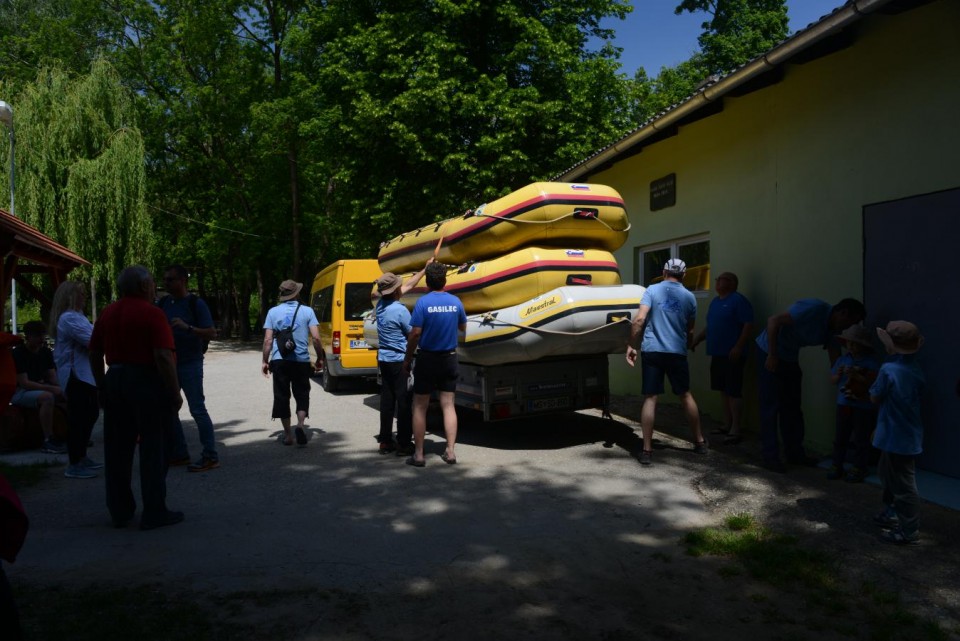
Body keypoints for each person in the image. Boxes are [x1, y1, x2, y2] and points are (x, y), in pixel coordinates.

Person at [89, 266, 185, 530]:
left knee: (117, 449)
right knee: (154, 447)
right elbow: (163, 356)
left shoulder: (108, 312)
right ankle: (154, 510)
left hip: (115, 379)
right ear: (144, 286)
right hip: (146, 382)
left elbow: (94, 352)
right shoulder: (152, 314)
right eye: (153, 283)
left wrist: (101, 385)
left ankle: (119, 510)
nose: (156, 288)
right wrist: (175, 393)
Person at [755, 297, 866, 473]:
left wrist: (845, 377)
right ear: (843, 313)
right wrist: (772, 354)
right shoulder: (814, 309)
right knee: (771, 406)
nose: (848, 327)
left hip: (790, 357)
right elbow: (773, 321)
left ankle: (795, 453)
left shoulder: (833, 330)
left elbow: (835, 359)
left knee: (792, 406)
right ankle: (770, 457)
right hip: (769, 352)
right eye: (850, 322)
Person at [625, 258, 707, 466]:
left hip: (653, 351)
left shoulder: (652, 290)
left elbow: (640, 320)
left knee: (651, 398)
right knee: (685, 395)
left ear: (664, 272)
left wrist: (631, 345)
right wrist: (687, 345)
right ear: (684, 275)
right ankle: (699, 442)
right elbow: (690, 330)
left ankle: (647, 451)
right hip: (677, 352)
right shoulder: (690, 297)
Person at [402, 262, 466, 467]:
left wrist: (407, 357)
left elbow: (415, 333)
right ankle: (450, 451)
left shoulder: (422, 303)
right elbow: (463, 328)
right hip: (449, 358)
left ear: (427, 281)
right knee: (448, 405)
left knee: (420, 406)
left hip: (427, 359)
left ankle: (419, 454)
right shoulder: (456, 302)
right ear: (445, 280)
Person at [159, 265, 220, 472]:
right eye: (165, 279)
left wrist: (188, 328)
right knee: (169, 409)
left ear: (183, 280)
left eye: (170, 279)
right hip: (169, 363)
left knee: (197, 409)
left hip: (190, 363)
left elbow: (212, 333)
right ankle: (180, 453)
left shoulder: (196, 303)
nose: (166, 283)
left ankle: (210, 455)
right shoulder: (164, 303)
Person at [870, 321, 925, 545]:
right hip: (905, 433)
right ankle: (891, 512)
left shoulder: (888, 369)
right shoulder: (916, 370)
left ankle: (909, 530)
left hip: (895, 436)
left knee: (903, 484)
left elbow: (875, 396)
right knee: (888, 473)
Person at [691, 272, 754, 444]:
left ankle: (736, 429)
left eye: (721, 278)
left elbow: (748, 325)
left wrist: (739, 346)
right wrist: (697, 340)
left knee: (733, 390)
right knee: (723, 390)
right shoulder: (715, 302)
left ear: (732, 282)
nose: (717, 281)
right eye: (717, 279)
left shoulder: (738, 300)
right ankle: (726, 424)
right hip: (717, 353)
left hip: (732, 354)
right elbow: (711, 327)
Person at [374, 262, 429, 456]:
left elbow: (408, 285)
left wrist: (423, 270)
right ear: (396, 290)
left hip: (384, 359)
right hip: (398, 360)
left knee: (387, 401)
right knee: (404, 402)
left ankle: (385, 440)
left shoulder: (380, 305)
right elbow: (412, 334)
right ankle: (404, 443)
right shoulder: (400, 310)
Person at [49, 282, 102, 479]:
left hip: (83, 374)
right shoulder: (70, 318)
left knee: (90, 414)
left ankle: (81, 456)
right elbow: (93, 340)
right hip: (76, 374)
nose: (84, 297)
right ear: (70, 297)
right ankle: (75, 462)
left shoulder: (76, 316)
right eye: (80, 294)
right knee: (80, 417)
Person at [261, 279, 322, 447]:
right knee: (302, 393)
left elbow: (267, 340)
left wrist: (265, 361)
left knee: (282, 395)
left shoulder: (273, 312)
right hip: (301, 360)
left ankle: (288, 435)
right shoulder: (308, 311)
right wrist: (320, 357)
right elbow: (316, 338)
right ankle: (300, 425)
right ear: (297, 293)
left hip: (280, 361)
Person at [827, 324, 879, 482]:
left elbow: (873, 383)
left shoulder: (871, 363)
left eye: (854, 343)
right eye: (849, 342)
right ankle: (837, 464)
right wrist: (839, 374)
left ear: (863, 345)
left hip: (863, 406)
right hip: (844, 404)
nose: (850, 345)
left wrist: (856, 375)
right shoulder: (843, 360)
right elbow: (833, 380)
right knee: (841, 436)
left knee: (861, 438)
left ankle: (859, 467)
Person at [10, 320, 66, 455]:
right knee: (47, 397)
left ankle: (71, 434)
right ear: (28, 337)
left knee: (70, 394)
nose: (41, 339)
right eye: (37, 336)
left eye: (43, 335)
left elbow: (52, 376)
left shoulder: (45, 352)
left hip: (41, 386)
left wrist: (63, 388)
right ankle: (48, 440)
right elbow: (24, 383)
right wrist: (52, 389)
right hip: (21, 392)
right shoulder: (18, 353)